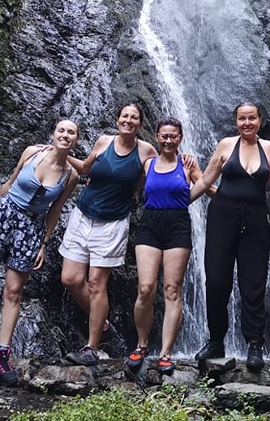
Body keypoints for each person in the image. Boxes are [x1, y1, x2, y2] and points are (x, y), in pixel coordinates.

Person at [0, 119, 80, 384]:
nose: (65, 135)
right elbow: (9, 184)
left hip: (31, 228)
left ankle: (2, 352)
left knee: (13, 291)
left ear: (76, 140)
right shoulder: (32, 152)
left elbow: (55, 211)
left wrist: (44, 242)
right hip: (3, 215)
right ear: (53, 133)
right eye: (61, 130)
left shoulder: (71, 175)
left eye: (71, 132)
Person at [61, 102, 157, 365]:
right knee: (70, 278)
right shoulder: (103, 142)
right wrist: (58, 152)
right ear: (117, 120)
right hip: (82, 216)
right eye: (125, 116)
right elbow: (84, 170)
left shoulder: (146, 150)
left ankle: (91, 347)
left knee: (96, 282)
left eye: (134, 117)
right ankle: (102, 324)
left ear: (140, 123)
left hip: (113, 223)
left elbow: (147, 181)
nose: (129, 120)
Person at [191, 102, 270, 371]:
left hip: (255, 219)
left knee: (253, 283)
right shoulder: (226, 145)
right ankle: (216, 339)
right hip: (222, 215)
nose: (247, 123)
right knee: (216, 280)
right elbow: (207, 180)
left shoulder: (269, 148)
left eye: (251, 118)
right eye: (242, 118)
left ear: (260, 120)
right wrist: (179, 202)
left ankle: (254, 344)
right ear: (236, 121)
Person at [127, 116, 203, 375]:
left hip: (178, 225)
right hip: (149, 223)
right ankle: (141, 343)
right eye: (164, 136)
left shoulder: (187, 164)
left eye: (174, 136)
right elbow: (129, 184)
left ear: (180, 138)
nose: (169, 140)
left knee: (172, 289)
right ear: (157, 137)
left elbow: (205, 185)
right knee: (146, 288)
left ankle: (166, 352)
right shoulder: (148, 164)